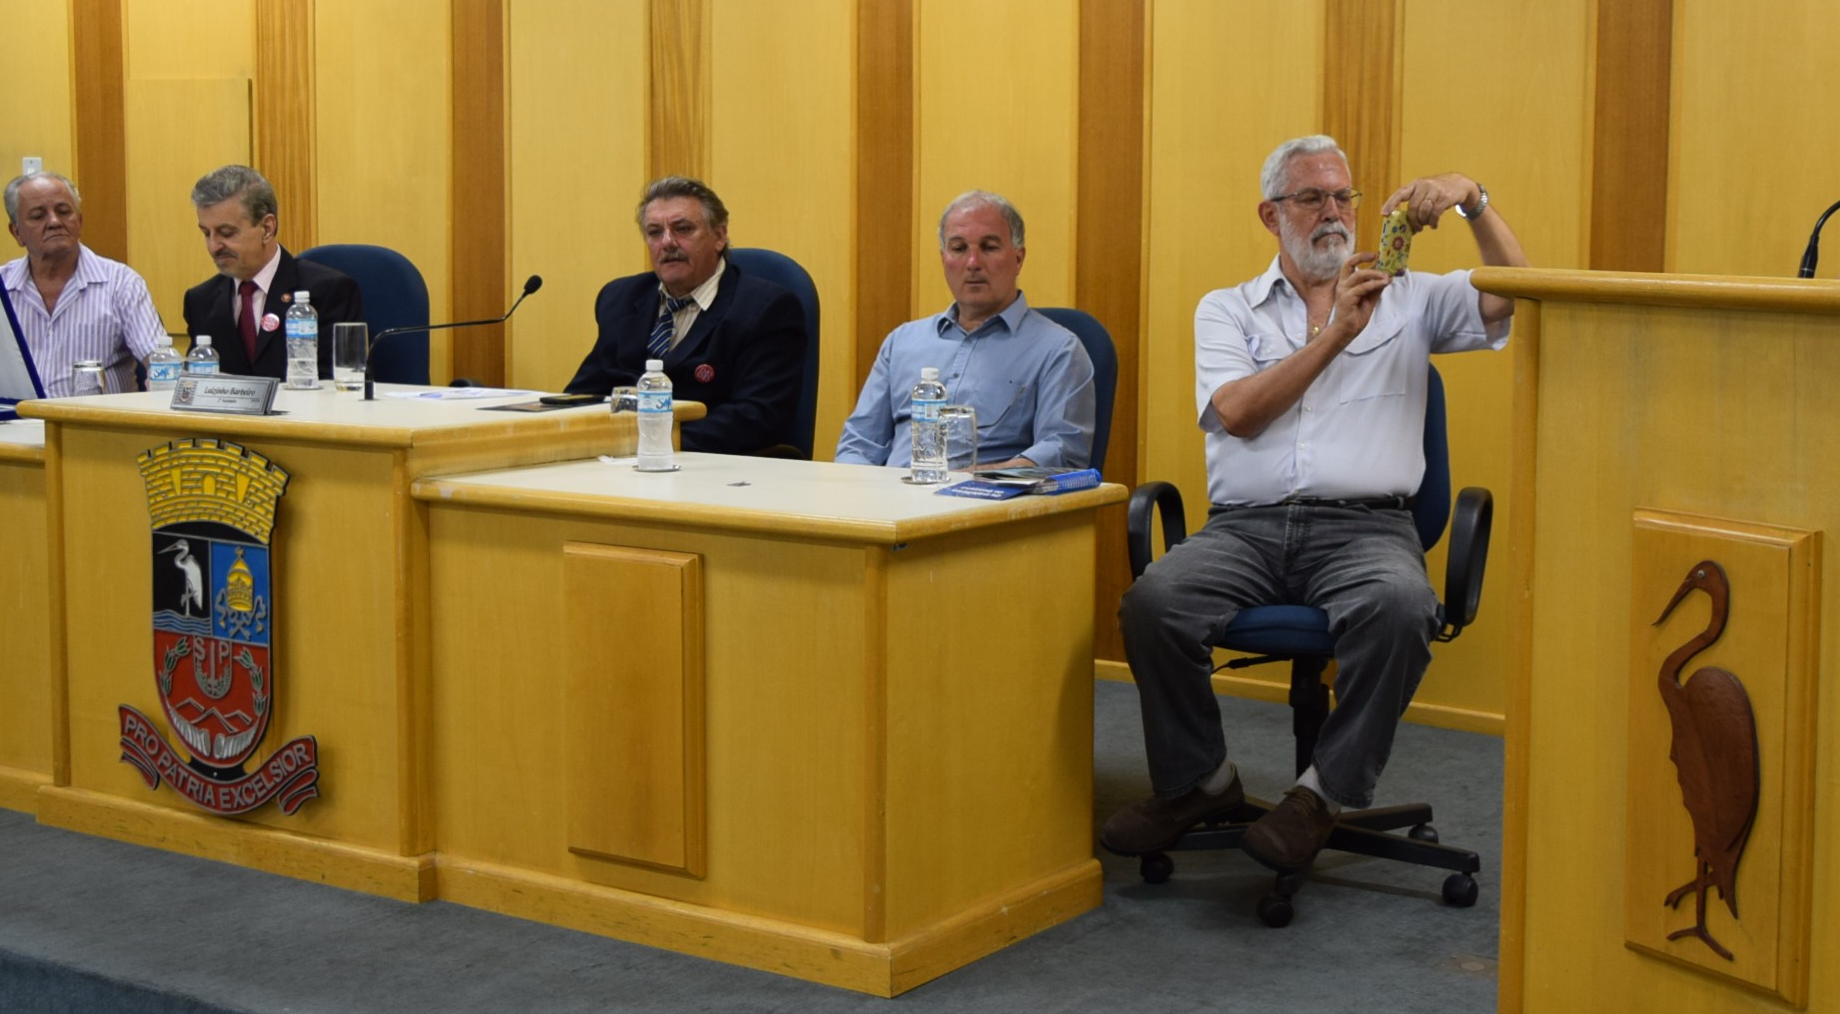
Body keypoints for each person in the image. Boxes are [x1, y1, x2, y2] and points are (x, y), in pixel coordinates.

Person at [1100, 137, 1523, 875]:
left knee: (1399, 606)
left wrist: (1472, 199)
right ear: (1272, 215)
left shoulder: (1412, 297)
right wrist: (1336, 337)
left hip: (1366, 529)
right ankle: (1202, 782)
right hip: (1246, 530)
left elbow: (1521, 289)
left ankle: (1321, 795)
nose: (1334, 213)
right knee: (1153, 603)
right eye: (1312, 198)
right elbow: (1236, 413)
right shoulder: (1226, 310)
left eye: (1344, 197)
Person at [835, 191, 1094, 471]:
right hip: (892, 504)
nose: (973, 263)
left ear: (1018, 259)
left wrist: (967, 479)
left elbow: (1061, 452)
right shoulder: (902, 342)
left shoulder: (1058, 350)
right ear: (944, 258)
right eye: (958, 248)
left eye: (989, 247)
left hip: (989, 505)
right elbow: (858, 445)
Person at [567, 177, 811, 456]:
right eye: (655, 232)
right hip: (620, 463)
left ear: (720, 236)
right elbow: (581, 396)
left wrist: (649, 443)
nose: (668, 242)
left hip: (714, 466)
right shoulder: (620, 299)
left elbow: (757, 417)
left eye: (682, 229)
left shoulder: (765, 308)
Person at [180, 166, 363, 380]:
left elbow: (335, 385)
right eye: (206, 233)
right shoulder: (200, 301)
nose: (213, 246)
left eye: (226, 233)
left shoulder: (328, 291)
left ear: (267, 228)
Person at [0, 172, 172, 392]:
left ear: (79, 221)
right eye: (38, 216)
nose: (54, 222)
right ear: (17, 233)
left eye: (63, 212)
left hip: (94, 423)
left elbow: (160, 360)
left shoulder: (121, 283)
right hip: (14, 422)